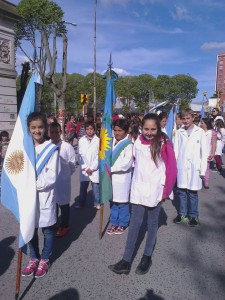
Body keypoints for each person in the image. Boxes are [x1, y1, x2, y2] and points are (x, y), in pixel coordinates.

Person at [108, 113, 177, 275]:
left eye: (153, 129)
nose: (149, 132)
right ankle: (126, 260)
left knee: (152, 225)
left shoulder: (164, 143)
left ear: (158, 128)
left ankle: (146, 257)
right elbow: (134, 161)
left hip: (155, 190)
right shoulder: (137, 141)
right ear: (141, 128)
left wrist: (166, 191)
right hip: (138, 189)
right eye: (146, 128)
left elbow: (172, 169)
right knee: (135, 225)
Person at [21, 112, 60, 278]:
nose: (37, 131)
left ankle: (45, 258)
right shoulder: (24, 147)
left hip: (44, 196)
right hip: (28, 198)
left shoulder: (51, 149)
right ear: (29, 129)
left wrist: (32, 185)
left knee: (48, 230)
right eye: (33, 127)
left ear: (45, 128)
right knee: (30, 228)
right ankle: (33, 257)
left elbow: (51, 177)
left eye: (40, 127)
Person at [174, 108, 207, 227]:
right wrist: (174, 167)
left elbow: (204, 153)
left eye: (188, 118)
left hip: (195, 167)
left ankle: (193, 215)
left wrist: (202, 169)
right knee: (181, 191)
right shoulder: (179, 132)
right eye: (184, 118)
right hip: (182, 166)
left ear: (193, 118)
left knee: (192, 193)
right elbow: (176, 151)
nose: (186, 121)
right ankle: (182, 213)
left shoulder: (200, 132)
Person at [49, 122, 76, 237]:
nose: (54, 134)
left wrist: (64, 176)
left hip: (63, 181)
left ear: (61, 132)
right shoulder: (46, 146)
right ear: (48, 133)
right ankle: (54, 223)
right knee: (52, 204)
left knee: (64, 205)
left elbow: (72, 165)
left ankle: (65, 226)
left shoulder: (67, 147)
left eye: (57, 132)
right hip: (50, 182)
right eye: (52, 132)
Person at [106, 119, 133, 235]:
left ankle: (123, 222)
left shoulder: (129, 145)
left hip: (122, 178)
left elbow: (126, 164)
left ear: (126, 131)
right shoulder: (110, 143)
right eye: (115, 130)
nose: (117, 133)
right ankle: (114, 222)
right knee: (113, 202)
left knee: (122, 203)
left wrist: (110, 169)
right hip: (110, 178)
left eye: (120, 130)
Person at [77, 121, 100, 209]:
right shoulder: (81, 140)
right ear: (85, 130)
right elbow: (79, 155)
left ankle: (96, 202)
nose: (89, 131)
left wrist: (92, 168)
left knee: (95, 187)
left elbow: (99, 156)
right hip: (85, 169)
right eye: (87, 129)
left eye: (91, 129)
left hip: (94, 169)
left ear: (94, 130)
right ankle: (81, 203)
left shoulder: (98, 140)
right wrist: (85, 167)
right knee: (83, 187)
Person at [200, 118, 217, 188]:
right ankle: (198, 180)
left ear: (206, 124)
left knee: (206, 168)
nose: (200, 124)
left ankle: (206, 181)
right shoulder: (199, 131)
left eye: (202, 123)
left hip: (207, 153)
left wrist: (212, 153)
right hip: (199, 153)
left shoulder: (212, 132)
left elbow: (214, 143)